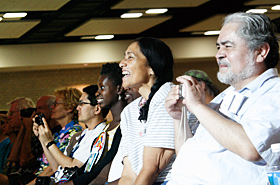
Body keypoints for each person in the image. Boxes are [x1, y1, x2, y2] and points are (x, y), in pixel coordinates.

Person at [165, 12, 280, 184]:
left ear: (260, 52)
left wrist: (197, 106)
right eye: (218, 47)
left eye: (228, 46)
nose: (219, 54)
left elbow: (251, 148)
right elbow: (188, 155)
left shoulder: (274, 91)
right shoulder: (226, 95)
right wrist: (179, 118)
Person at [118, 37, 175, 185]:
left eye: (130, 57)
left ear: (152, 67)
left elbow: (152, 169)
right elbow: (129, 174)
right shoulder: (129, 111)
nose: (121, 63)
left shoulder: (169, 98)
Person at [33, 85, 109, 184]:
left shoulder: (99, 135)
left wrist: (49, 142)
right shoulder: (81, 134)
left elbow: (73, 166)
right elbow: (57, 167)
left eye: (82, 103)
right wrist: (42, 138)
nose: (77, 108)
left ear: (97, 109)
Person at [32, 87, 82, 183]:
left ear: (69, 108)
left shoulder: (75, 131)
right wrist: (41, 137)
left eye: (56, 104)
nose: (52, 107)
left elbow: (55, 167)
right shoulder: (58, 134)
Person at [0, 97, 35, 185]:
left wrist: (27, 127)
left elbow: (23, 161)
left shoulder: (34, 132)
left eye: (11, 113)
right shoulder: (19, 133)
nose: (9, 117)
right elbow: (12, 158)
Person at [182, 70, 220, 134]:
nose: (184, 92)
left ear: (202, 85)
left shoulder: (221, 107)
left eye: (187, 86)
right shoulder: (192, 113)